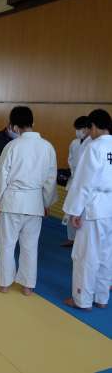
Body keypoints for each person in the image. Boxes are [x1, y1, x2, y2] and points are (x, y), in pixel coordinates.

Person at [0, 106, 58, 296]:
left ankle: (4, 283)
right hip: (35, 202)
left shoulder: (12, 146)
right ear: (33, 123)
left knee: (6, 243)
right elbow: (50, 179)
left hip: (12, 201)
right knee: (30, 246)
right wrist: (46, 202)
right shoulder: (47, 147)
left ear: (14, 126)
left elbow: (2, 175)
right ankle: (27, 286)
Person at [63, 109, 112, 310]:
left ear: (93, 126)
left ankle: (82, 299)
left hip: (93, 208)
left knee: (85, 255)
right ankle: (101, 297)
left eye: (89, 129)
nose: (88, 133)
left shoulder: (94, 147)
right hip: (109, 206)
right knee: (106, 254)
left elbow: (84, 183)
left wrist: (74, 211)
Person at [61, 116, 91, 247]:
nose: (78, 131)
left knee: (82, 213)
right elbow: (70, 159)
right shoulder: (74, 142)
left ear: (87, 128)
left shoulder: (92, 143)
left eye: (80, 128)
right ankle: (71, 238)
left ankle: (81, 240)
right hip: (74, 180)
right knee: (70, 209)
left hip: (85, 183)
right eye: (77, 129)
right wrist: (73, 173)